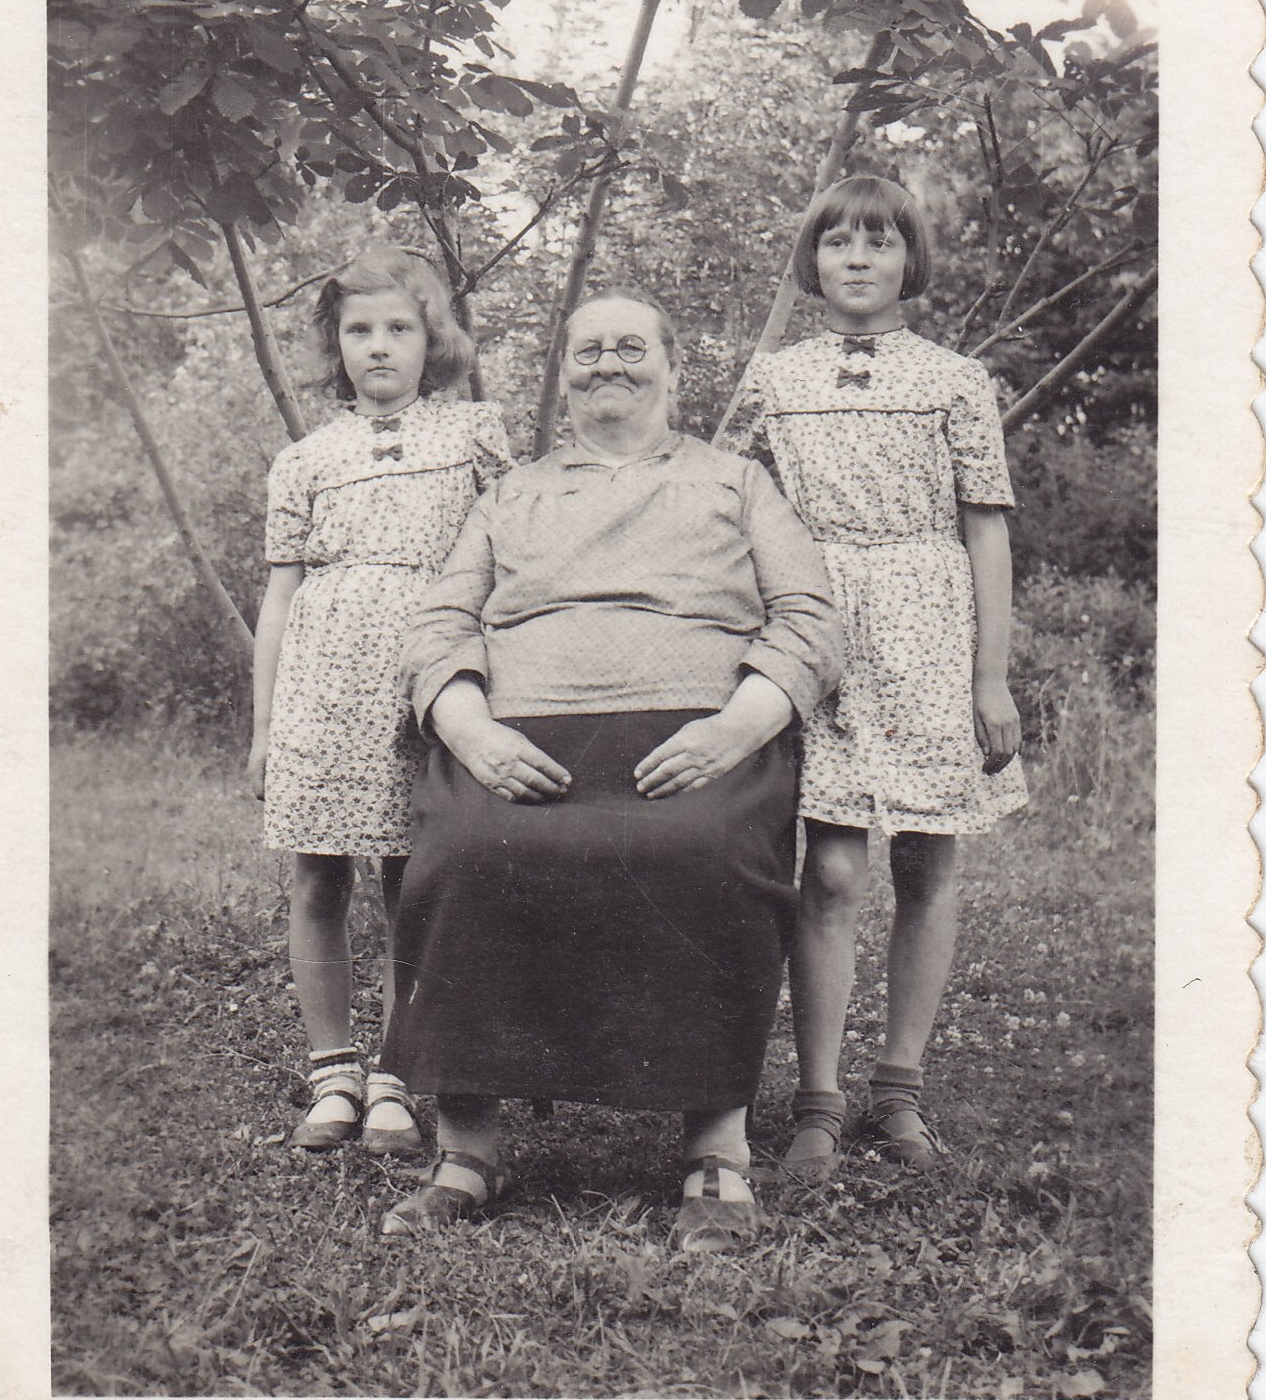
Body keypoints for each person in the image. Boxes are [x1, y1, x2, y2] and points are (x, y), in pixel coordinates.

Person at [379, 290, 844, 1251]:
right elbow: (438, 625)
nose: (609, 365)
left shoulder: (737, 482)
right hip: (522, 738)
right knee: (465, 848)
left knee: (705, 849)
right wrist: (470, 732)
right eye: (587, 350)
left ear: (674, 368)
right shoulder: (512, 493)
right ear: (563, 376)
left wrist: (737, 727)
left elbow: (809, 618)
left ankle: (716, 1146)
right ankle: (467, 1146)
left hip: (696, 735)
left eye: (632, 347)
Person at [721, 175, 1025, 1174]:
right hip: (817, 623)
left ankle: (898, 1090)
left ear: (910, 259)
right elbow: (719, 502)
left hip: (929, 620)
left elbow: (984, 526)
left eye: (879, 241)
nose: (857, 258)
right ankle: (816, 1096)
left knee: (928, 861)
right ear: (811, 260)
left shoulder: (954, 379)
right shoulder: (774, 376)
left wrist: (990, 677)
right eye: (838, 241)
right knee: (834, 868)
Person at [247, 246, 513, 1157]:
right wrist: (265, 728)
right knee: (320, 872)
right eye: (358, 331)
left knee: (417, 879)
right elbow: (280, 600)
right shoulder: (305, 460)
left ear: (432, 337)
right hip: (322, 685)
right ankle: (333, 1072)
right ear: (336, 345)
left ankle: (400, 1078)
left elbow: (506, 569)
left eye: (398, 328)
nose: (379, 348)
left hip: (425, 682)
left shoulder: (474, 437)